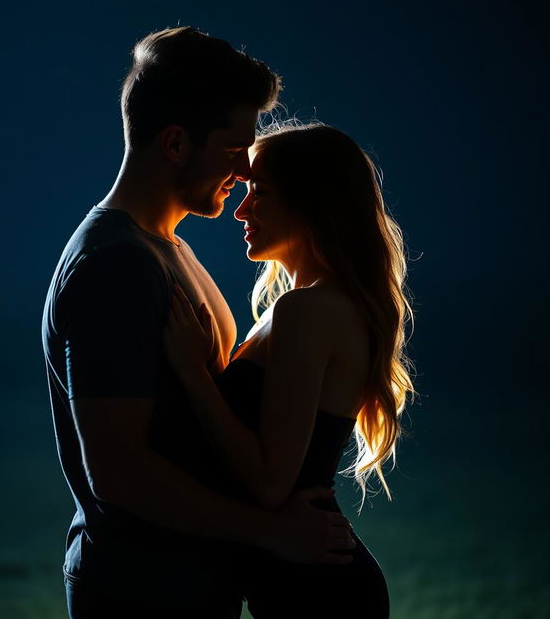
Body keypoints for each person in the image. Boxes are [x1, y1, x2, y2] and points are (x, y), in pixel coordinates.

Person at [41, 28, 356, 619]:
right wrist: (270, 532)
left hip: (191, 584)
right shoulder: (114, 268)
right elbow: (117, 473)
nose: (244, 168)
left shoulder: (170, 249)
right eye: (235, 148)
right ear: (177, 143)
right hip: (137, 592)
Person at [164, 122, 415, 617]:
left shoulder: (308, 310)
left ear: (312, 202)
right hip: (302, 575)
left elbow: (270, 482)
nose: (241, 209)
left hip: (316, 586)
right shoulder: (310, 307)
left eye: (261, 193)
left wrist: (193, 375)